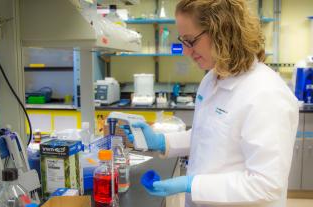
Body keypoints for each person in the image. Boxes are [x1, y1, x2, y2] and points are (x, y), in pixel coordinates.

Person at [123, 0, 299, 206]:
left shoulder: (267, 94)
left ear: (222, 30)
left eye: (191, 41)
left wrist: (192, 185)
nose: (186, 51)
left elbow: (266, 185)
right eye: (183, 41)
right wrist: (163, 142)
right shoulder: (213, 78)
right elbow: (211, 133)